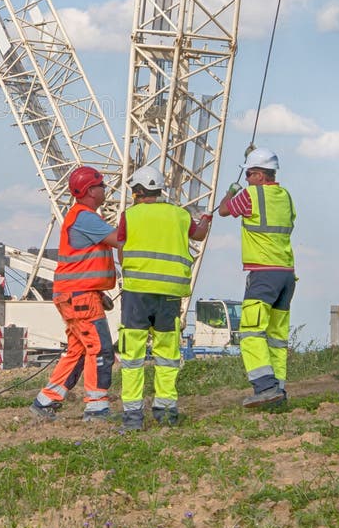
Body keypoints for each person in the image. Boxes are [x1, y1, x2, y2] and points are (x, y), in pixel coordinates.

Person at [117, 166, 211, 430]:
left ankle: (133, 417)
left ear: (137, 192)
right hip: (169, 296)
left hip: (137, 294)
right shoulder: (180, 215)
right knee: (168, 354)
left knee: (132, 356)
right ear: (159, 191)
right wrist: (205, 220)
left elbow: (121, 252)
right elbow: (199, 234)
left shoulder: (130, 216)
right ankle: (167, 412)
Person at [30, 166, 120, 422]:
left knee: (79, 350)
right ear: (90, 191)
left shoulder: (80, 216)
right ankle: (96, 406)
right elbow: (119, 240)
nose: (105, 189)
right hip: (81, 298)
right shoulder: (85, 217)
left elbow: (84, 263)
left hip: (76, 295)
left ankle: (46, 400)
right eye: (101, 185)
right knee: (100, 349)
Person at [218, 147, 296, 409]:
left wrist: (231, 189)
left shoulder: (250, 195)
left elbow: (224, 210)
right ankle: (278, 390)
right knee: (275, 336)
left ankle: (264, 387)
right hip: (286, 274)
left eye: (249, 174)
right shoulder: (285, 196)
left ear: (260, 175)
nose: (247, 178)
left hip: (263, 273)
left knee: (251, 332)